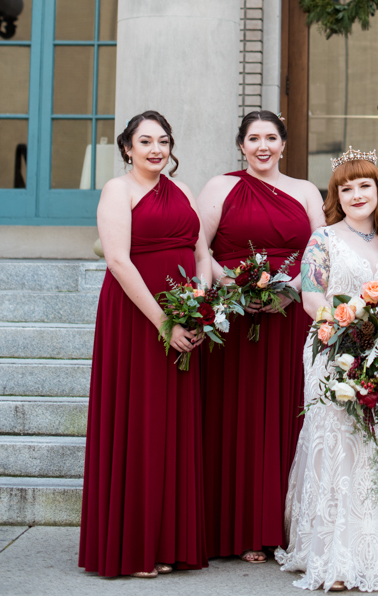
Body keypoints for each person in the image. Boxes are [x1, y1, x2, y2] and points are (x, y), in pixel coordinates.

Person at [276, 148, 378, 593]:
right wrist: (354, 330)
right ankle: (337, 554)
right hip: (334, 351)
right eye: (345, 188)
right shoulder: (322, 240)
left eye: (364, 185)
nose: (356, 194)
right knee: (340, 445)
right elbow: (312, 299)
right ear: (337, 196)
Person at [79, 111, 210, 578]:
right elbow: (117, 259)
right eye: (146, 141)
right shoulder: (119, 189)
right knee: (141, 422)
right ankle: (133, 546)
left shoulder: (185, 191)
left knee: (173, 425)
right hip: (137, 318)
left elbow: (200, 254)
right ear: (128, 148)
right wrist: (164, 323)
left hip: (182, 314)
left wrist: (201, 306)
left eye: (163, 140)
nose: (156, 148)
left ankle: (171, 542)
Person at [199, 110, 325, 562]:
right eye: (253, 138)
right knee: (239, 416)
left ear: (284, 144)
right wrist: (230, 284)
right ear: (241, 145)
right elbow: (200, 247)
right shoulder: (220, 187)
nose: (263, 146)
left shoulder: (307, 191)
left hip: (290, 318)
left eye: (271, 137)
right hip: (235, 321)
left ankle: (282, 526)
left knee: (286, 415)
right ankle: (239, 526)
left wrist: (290, 289)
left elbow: (319, 251)